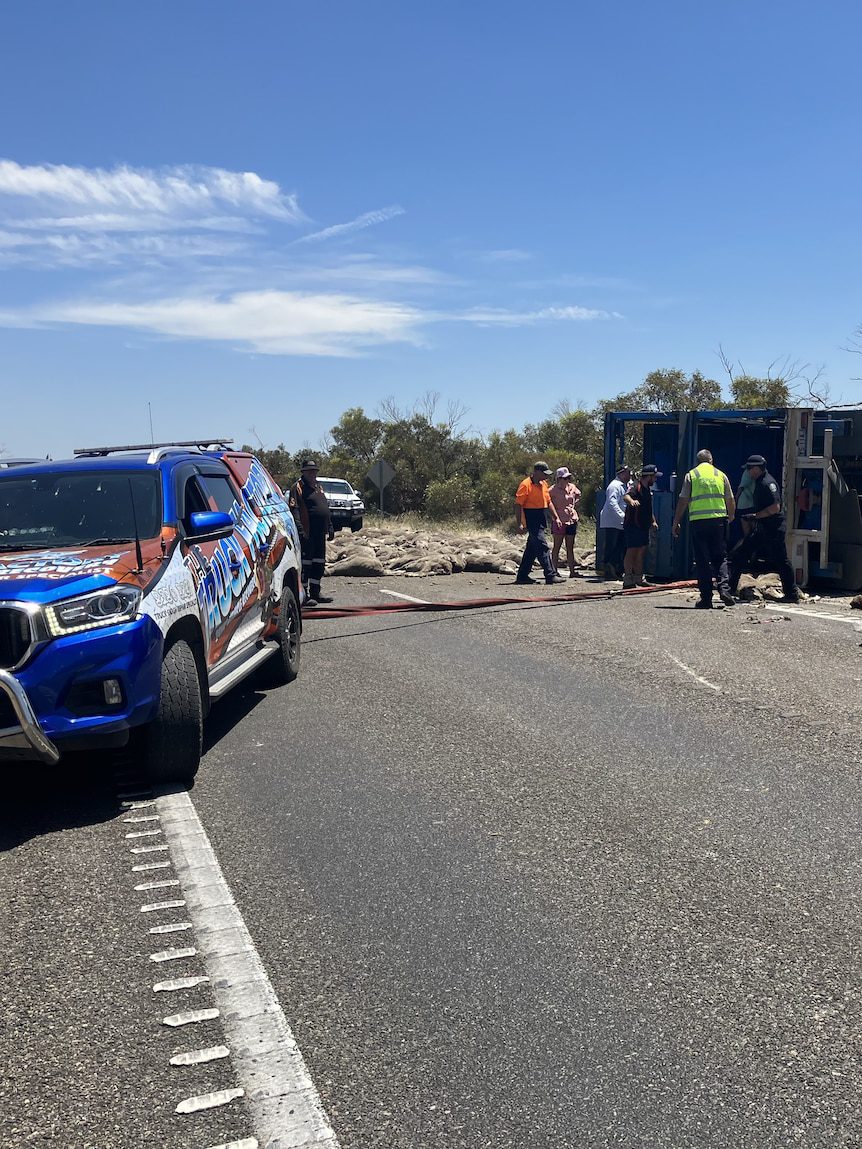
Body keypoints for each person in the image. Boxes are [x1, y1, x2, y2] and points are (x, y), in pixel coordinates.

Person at [729, 454, 800, 603]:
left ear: (757, 468)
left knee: (781, 560)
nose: (748, 472)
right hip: (763, 527)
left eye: (750, 468)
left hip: (773, 527)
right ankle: (729, 589)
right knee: (740, 553)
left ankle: (791, 594)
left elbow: (775, 507)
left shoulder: (767, 483)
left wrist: (756, 516)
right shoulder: (759, 481)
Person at [671, 449, 736, 609]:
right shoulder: (720, 475)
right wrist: (731, 516)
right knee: (720, 558)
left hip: (698, 522)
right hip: (718, 521)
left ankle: (706, 598)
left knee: (702, 560)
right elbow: (730, 499)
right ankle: (724, 589)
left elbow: (683, 500)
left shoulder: (692, 475)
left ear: (698, 462)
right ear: (711, 460)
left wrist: (676, 521)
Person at [288, 458, 335, 606]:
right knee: (306, 564)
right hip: (307, 532)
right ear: (304, 472)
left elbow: (324, 507)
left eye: (314, 471)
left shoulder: (318, 487)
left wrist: (330, 526)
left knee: (319, 563)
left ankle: (316, 591)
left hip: (320, 531)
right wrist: (301, 530)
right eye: (309, 471)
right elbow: (294, 509)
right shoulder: (298, 487)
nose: (312, 474)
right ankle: (305, 594)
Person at [514, 462, 566, 585]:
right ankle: (550, 575)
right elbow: (518, 505)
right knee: (542, 546)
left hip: (541, 517)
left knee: (531, 549)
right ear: (537, 471)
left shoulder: (544, 485)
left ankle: (522, 576)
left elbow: (549, 502)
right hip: (531, 518)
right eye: (544, 473)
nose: (546, 476)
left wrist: (556, 517)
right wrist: (520, 523)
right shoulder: (525, 485)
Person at [622, 464, 660, 589]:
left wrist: (653, 521)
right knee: (632, 551)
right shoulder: (635, 486)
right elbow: (626, 496)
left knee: (641, 551)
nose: (655, 480)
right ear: (648, 476)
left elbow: (648, 508)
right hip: (633, 525)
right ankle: (628, 579)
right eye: (654, 477)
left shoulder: (647, 490)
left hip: (644, 526)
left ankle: (639, 577)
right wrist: (631, 501)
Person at [599, 464, 630, 580]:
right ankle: (608, 569)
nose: (629, 475)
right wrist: (622, 515)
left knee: (620, 545)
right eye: (627, 473)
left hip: (620, 522)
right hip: (613, 520)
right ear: (621, 473)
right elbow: (612, 502)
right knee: (611, 545)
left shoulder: (624, 486)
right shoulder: (614, 486)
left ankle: (616, 568)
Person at [549, 466, 581, 577]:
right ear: (559, 479)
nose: (567, 480)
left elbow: (578, 495)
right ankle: (553, 570)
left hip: (571, 520)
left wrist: (573, 506)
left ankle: (572, 571)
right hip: (559, 520)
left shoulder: (572, 487)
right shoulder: (552, 490)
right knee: (557, 546)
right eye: (564, 478)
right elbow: (548, 503)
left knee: (570, 546)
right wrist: (555, 514)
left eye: (568, 478)